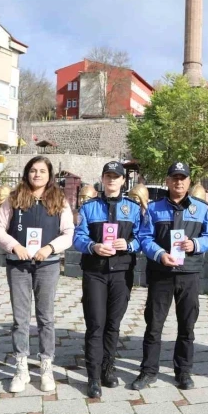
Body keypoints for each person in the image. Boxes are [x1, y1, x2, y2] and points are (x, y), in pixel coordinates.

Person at [0, 156, 74, 393]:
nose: (37, 175)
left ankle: (46, 365)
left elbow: (69, 232)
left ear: (49, 175)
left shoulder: (59, 200)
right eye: (33, 171)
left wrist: (50, 248)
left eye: (42, 171)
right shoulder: (15, 198)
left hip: (47, 265)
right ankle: (21, 367)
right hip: (19, 264)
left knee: (45, 317)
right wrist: (13, 246)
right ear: (27, 173)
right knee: (20, 317)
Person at [132, 162, 208, 390]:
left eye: (183, 178)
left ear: (189, 182)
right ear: (167, 181)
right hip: (162, 273)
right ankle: (148, 371)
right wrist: (159, 254)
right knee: (154, 325)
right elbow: (144, 238)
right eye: (174, 178)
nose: (179, 182)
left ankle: (184, 372)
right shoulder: (154, 208)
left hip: (189, 273)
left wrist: (194, 243)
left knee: (187, 326)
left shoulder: (200, 209)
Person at [73, 161, 143, 398]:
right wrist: (93, 246)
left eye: (117, 176)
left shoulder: (133, 209)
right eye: (108, 176)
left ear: (124, 181)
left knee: (113, 324)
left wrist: (130, 244)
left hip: (122, 273)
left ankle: (108, 368)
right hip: (95, 272)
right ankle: (93, 376)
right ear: (102, 179)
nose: (112, 180)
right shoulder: (89, 207)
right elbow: (78, 236)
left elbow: (142, 236)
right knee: (95, 324)